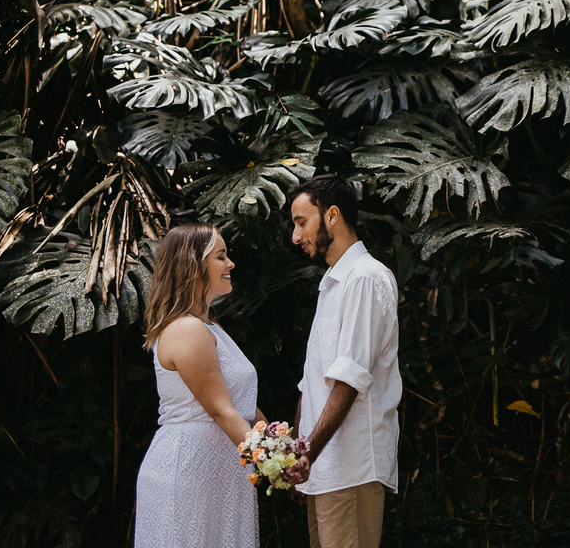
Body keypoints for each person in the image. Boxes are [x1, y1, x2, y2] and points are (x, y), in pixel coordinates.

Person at [286, 174, 401, 548]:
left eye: (302, 222)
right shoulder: (335, 282)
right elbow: (313, 382)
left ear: (332, 215)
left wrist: (306, 453)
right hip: (324, 468)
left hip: (351, 467)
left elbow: (350, 378)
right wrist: (300, 456)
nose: (296, 236)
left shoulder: (365, 279)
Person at [134, 222, 265, 548]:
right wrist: (271, 464)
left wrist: (284, 448)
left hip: (221, 472)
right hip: (188, 472)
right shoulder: (186, 330)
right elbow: (222, 411)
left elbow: (241, 404)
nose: (230, 264)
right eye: (221, 257)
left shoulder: (211, 327)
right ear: (194, 266)